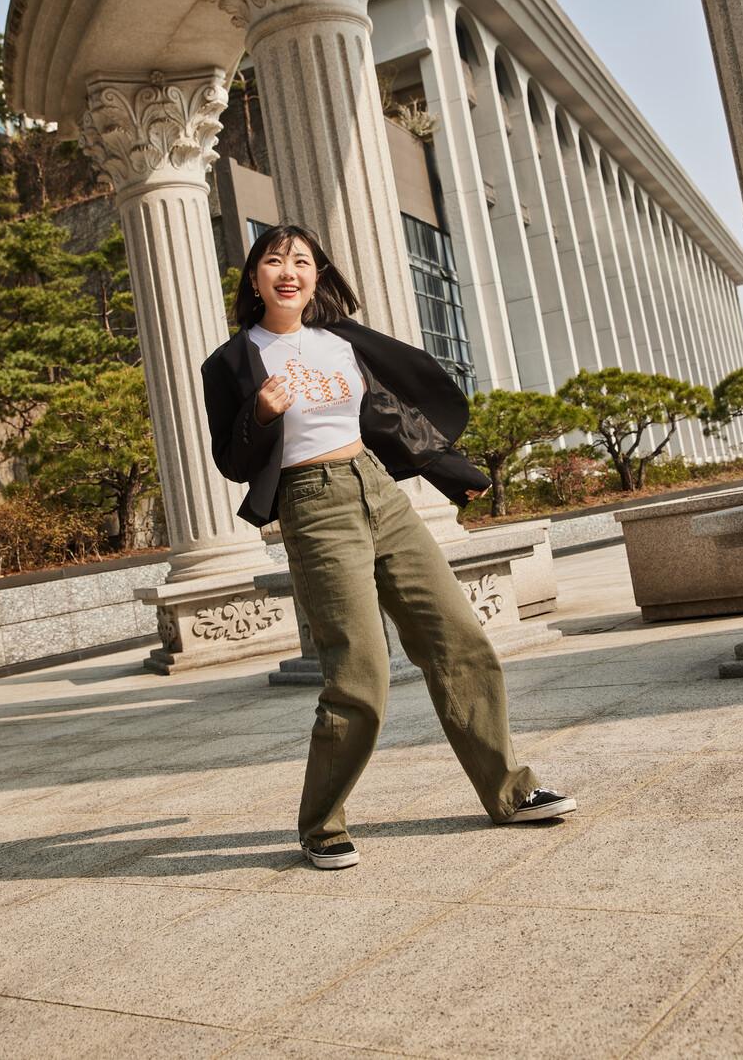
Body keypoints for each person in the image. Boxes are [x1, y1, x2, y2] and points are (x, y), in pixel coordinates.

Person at [201, 223, 576, 869]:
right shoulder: (233, 361)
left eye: (301, 261)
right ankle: (322, 821)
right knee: (360, 673)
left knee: (458, 636)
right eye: (273, 260)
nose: (288, 270)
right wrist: (259, 412)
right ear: (255, 278)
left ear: (317, 275)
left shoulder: (340, 342)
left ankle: (510, 791)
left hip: (378, 490)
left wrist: (455, 472)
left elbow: (391, 415)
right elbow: (233, 461)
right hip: (312, 503)